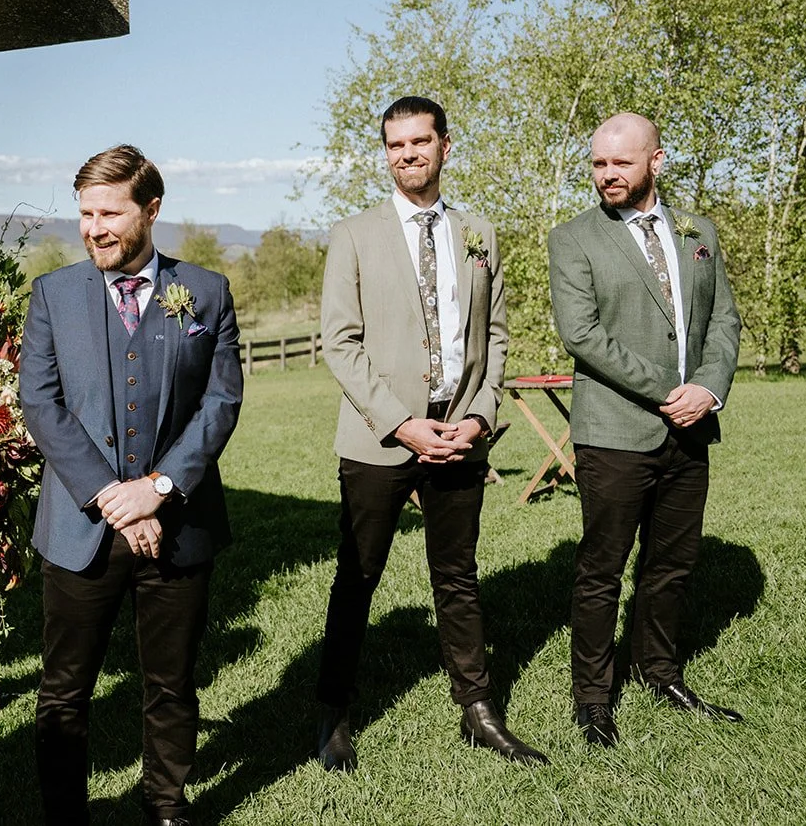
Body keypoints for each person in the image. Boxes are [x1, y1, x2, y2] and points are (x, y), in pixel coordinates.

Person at [315, 96, 546, 770]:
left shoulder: (480, 232)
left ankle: (477, 709)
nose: (408, 154)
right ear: (386, 153)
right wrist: (404, 424)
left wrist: (478, 416)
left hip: (460, 433)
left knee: (458, 575)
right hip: (380, 439)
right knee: (357, 576)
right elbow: (339, 341)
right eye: (395, 145)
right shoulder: (352, 234)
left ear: (446, 145)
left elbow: (494, 336)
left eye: (420, 141)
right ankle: (332, 712)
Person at [19, 145, 242, 826]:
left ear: (151, 209)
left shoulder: (204, 292)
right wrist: (116, 497)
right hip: (80, 529)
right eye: (85, 214)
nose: (93, 228)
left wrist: (161, 486)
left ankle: (166, 805)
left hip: (179, 523)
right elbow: (41, 402)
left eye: (108, 212)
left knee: (171, 685)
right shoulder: (55, 294)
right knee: (63, 691)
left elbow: (222, 398)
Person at [549, 112, 742, 747]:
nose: (607, 175)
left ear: (655, 162)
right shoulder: (575, 239)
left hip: (691, 432)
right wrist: (670, 391)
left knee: (672, 565)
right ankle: (593, 697)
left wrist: (709, 389)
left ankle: (660, 673)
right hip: (614, 431)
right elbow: (581, 334)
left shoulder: (699, 232)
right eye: (599, 164)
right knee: (602, 568)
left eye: (620, 163)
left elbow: (722, 323)